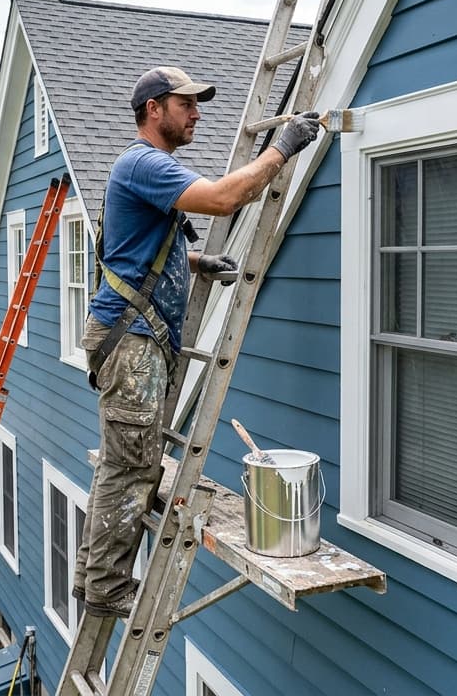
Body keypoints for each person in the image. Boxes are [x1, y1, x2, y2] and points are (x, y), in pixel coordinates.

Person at [73, 66, 322, 617]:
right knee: (132, 466)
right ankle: (108, 588)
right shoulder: (144, 162)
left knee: (123, 461)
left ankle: (91, 577)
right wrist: (282, 148)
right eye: (186, 103)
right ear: (153, 110)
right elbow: (224, 198)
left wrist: (194, 260)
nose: (197, 112)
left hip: (138, 340)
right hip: (132, 342)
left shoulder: (144, 170)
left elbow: (132, 249)